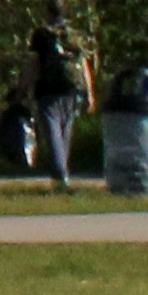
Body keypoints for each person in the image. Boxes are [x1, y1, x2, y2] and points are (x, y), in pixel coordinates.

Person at [23, 12, 86, 193]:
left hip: (47, 92)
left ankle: (60, 176)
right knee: (65, 133)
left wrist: (25, 87)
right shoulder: (73, 35)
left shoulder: (41, 35)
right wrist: (89, 92)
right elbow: (83, 64)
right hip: (71, 91)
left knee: (53, 134)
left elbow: (33, 63)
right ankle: (62, 175)